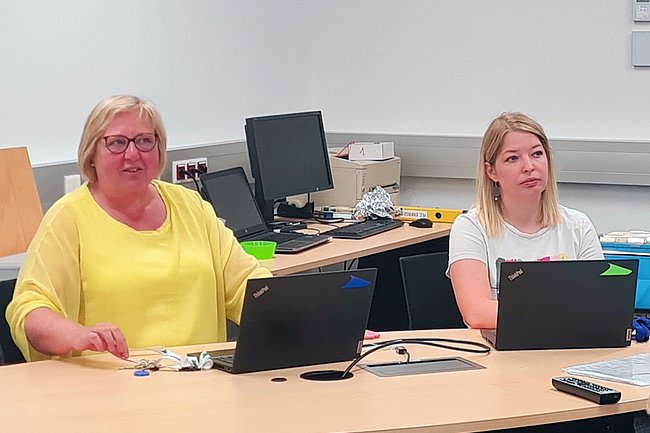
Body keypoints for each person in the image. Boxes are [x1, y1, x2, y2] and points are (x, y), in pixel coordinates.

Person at [6, 95, 273, 362]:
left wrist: (285, 305)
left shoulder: (191, 206)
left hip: (199, 376)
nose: (132, 154)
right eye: (117, 142)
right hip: (112, 380)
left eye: (144, 141)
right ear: (92, 153)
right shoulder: (68, 218)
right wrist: (79, 335)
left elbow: (247, 285)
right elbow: (29, 310)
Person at [448, 112, 603, 329]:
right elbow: (477, 313)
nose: (529, 166)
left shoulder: (578, 225)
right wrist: (565, 311)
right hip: (500, 347)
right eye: (513, 158)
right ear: (491, 171)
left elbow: (599, 304)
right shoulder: (471, 227)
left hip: (566, 344)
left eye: (537, 154)